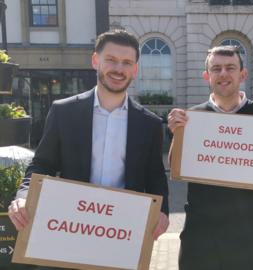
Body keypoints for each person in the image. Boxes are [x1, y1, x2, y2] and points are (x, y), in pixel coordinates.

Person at [8, 30, 170, 268]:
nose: (118, 68)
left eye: (126, 63)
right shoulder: (63, 111)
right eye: (111, 60)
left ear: (135, 69)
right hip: (72, 231)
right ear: (96, 60)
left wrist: (163, 210)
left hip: (122, 236)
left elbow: (155, 175)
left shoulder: (150, 123)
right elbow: (42, 164)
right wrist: (23, 197)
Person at [167, 46, 253, 270]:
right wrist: (176, 134)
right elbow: (175, 167)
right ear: (207, 76)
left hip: (246, 238)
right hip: (200, 239)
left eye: (230, 68)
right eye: (216, 68)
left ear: (242, 75)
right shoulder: (193, 118)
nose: (223, 73)